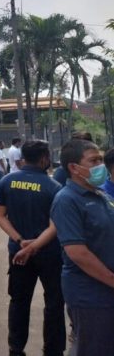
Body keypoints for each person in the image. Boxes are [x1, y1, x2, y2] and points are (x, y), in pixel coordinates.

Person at [0, 140, 65, 356]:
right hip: (49, 254)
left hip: (18, 253)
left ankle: (16, 349)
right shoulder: (55, 188)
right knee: (54, 303)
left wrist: (20, 241)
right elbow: (55, 226)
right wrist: (34, 246)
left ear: (23, 157)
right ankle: (52, 350)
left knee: (19, 301)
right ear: (44, 159)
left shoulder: (6, 181)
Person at [50, 139, 114, 356]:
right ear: (74, 168)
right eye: (94, 161)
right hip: (90, 294)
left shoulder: (100, 195)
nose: (101, 166)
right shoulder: (66, 200)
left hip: (106, 289)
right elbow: (78, 253)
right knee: (93, 348)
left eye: (101, 160)